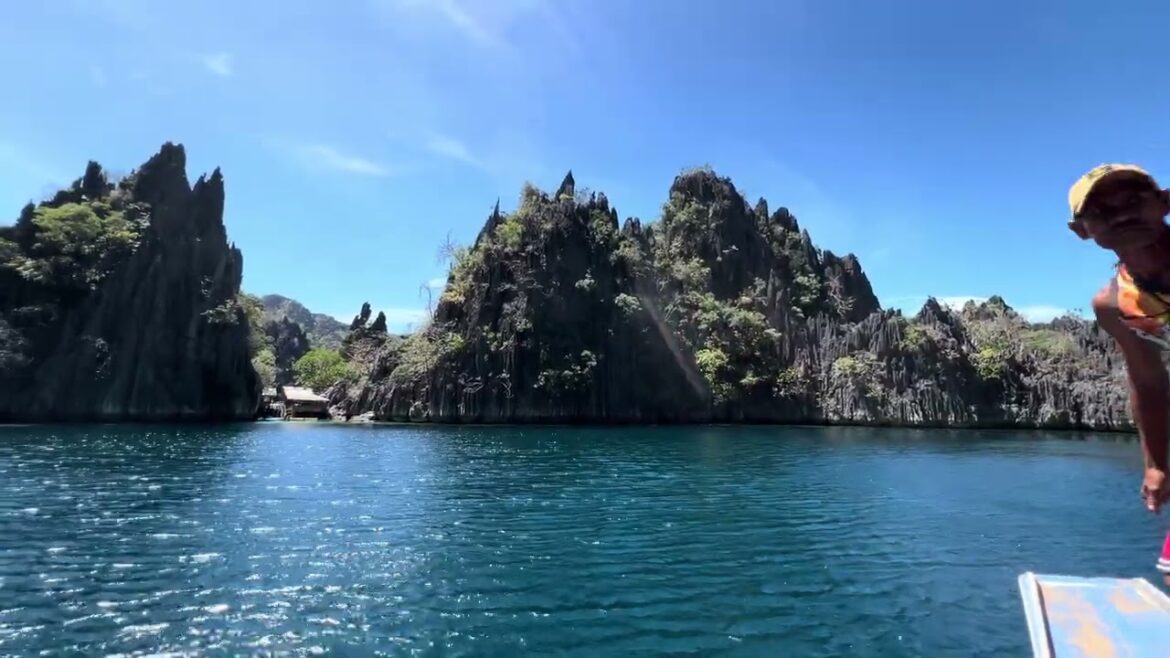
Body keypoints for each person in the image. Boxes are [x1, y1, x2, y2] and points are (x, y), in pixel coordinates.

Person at [1068, 163, 1170, 583]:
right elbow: (1147, 382)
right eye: (1101, 211)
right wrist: (1156, 464)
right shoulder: (1114, 305)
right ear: (1083, 231)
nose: (1121, 213)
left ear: (1164, 202)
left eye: (1133, 200)